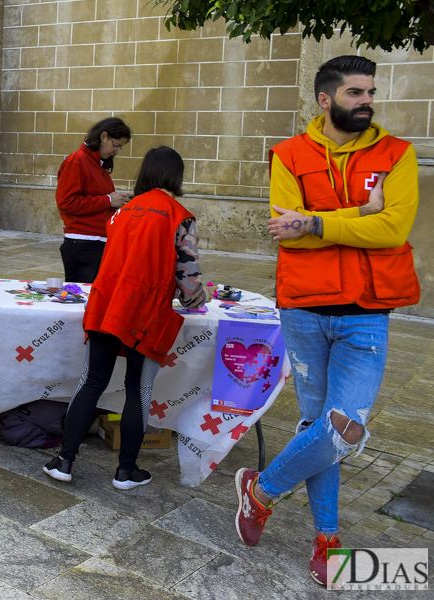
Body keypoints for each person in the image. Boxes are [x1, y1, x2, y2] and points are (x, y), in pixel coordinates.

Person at [236, 55, 420, 587]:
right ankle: (327, 540)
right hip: (303, 307)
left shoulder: (397, 155)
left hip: (366, 310)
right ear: (325, 99)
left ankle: (261, 491)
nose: (367, 102)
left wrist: (317, 221)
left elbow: (393, 228)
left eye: (370, 92)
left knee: (344, 428)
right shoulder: (289, 155)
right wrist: (360, 215)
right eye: (355, 94)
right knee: (317, 423)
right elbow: (282, 227)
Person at [43, 146, 206, 490]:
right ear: (176, 176)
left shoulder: (122, 210)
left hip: (106, 304)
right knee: (139, 388)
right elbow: (188, 278)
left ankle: (64, 460)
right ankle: (126, 471)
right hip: (146, 310)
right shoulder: (180, 217)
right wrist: (196, 299)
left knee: (91, 381)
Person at [55, 117, 133, 283]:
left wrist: (119, 201)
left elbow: (100, 200)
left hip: (98, 242)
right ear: (103, 136)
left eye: (120, 148)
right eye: (116, 145)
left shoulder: (98, 164)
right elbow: (66, 202)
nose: (117, 151)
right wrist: (107, 200)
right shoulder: (77, 161)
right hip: (82, 243)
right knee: (80, 299)